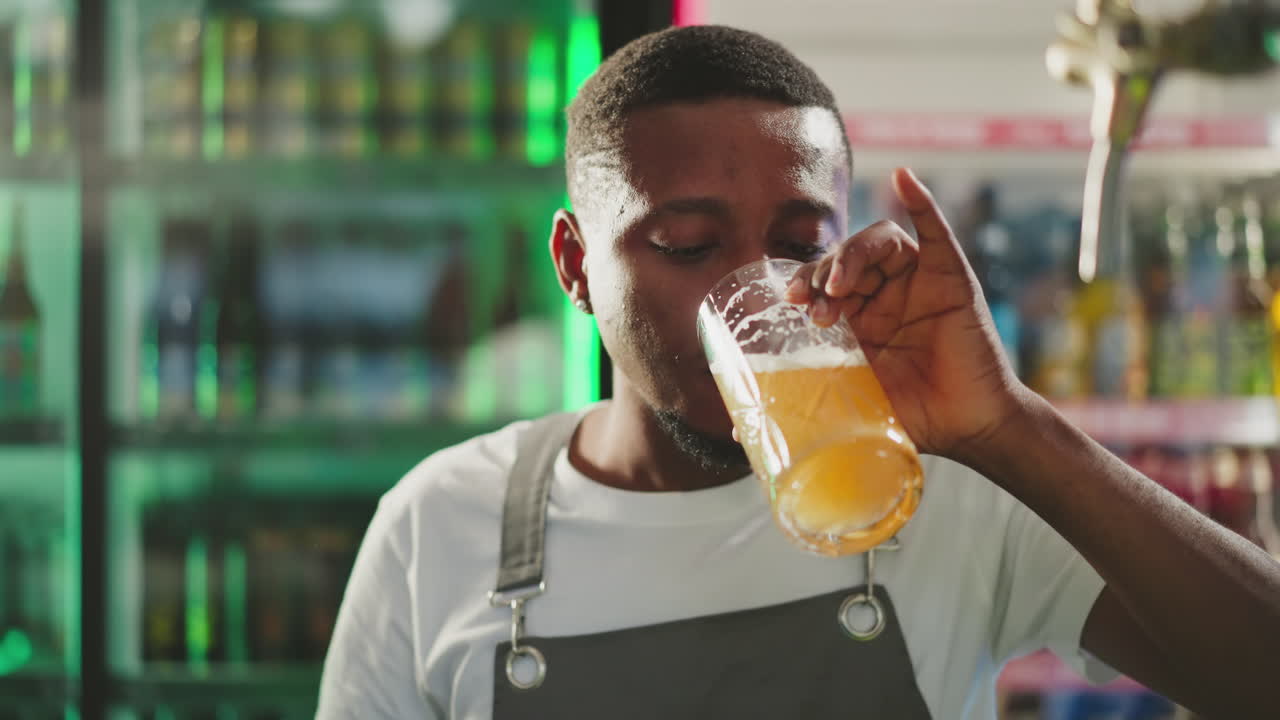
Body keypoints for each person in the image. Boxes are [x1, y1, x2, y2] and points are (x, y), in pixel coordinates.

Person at [316, 25, 1280, 719]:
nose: (753, 297)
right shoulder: (441, 525)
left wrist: (1009, 427)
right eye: (688, 245)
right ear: (575, 267)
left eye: (795, 246)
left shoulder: (950, 493)